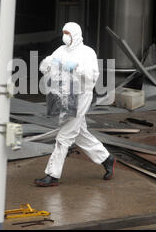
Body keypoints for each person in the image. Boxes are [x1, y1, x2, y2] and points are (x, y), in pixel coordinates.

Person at [34, 22, 116, 187]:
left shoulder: (87, 53)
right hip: (63, 95)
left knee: (64, 136)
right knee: (78, 132)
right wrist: (48, 65)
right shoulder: (60, 50)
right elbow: (44, 67)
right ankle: (107, 159)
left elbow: (93, 77)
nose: (65, 37)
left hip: (80, 96)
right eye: (64, 33)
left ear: (76, 34)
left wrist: (76, 69)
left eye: (68, 33)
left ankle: (52, 175)